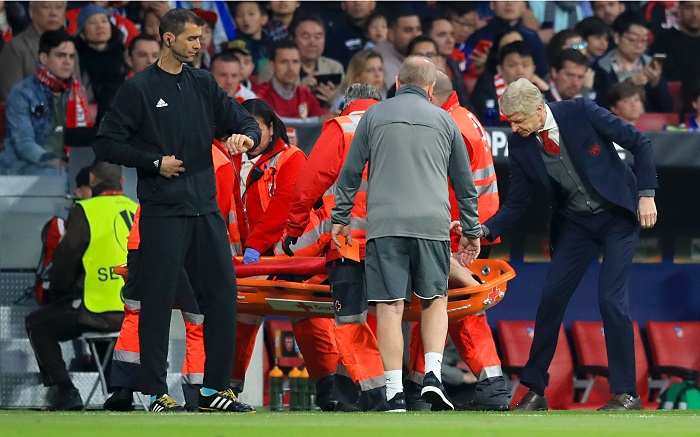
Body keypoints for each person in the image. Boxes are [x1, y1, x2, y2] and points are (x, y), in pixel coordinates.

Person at [93, 8, 262, 413]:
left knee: (222, 296)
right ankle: (154, 392)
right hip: (163, 211)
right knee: (157, 299)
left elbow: (244, 121)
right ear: (167, 39)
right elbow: (106, 144)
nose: (200, 45)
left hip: (205, 211)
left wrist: (244, 137)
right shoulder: (138, 89)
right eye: (191, 39)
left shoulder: (203, 83)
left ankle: (213, 391)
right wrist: (154, 163)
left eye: (201, 38)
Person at [484, 78, 657, 411]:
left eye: (518, 120)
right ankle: (534, 391)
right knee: (550, 300)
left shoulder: (580, 111)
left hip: (619, 216)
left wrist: (646, 194)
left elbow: (640, 142)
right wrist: (483, 231)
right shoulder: (521, 145)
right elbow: (517, 204)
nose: (514, 127)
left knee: (610, 299)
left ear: (538, 109)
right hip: (576, 224)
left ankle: (626, 394)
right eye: (509, 121)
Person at [330, 56, 482, 412]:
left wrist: (340, 217)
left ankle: (394, 391)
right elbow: (464, 183)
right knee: (434, 300)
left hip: (386, 225)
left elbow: (350, 173)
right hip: (432, 225)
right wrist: (472, 231)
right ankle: (432, 374)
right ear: (431, 88)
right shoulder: (445, 119)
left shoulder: (374, 116)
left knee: (389, 306)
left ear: (397, 82)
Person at [104, 140, 253, 413]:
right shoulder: (218, 162)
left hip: (142, 242)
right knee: (198, 319)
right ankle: (198, 393)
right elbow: (211, 216)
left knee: (139, 313)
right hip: (184, 244)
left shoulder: (177, 148)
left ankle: (125, 388)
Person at [406, 71, 510, 412]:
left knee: (462, 313)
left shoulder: (449, 127)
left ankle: (491, 387)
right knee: (432, 307)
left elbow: (454, 189)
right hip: (473, 230)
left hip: (461, 236)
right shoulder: (465, 118)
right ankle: (419, 386)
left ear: (432, 96)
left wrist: (463, 230)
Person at [282, 83, 387, 412]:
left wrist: (295, 225)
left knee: (352, 320)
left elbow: (310, 181)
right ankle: (350, 391)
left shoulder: (341, 127)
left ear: (348, 103)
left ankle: (374, 393)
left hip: (351, 244)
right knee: (388, 317)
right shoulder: (397, 125)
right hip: (397, 241)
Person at [25, 160, 137, 411]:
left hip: (99, 310)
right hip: (136, 314)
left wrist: (60, 292)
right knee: (103, 331)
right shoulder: (138, 209)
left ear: (93, 181)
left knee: (36, 324)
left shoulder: (85, 210)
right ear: (122, 181)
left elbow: (65, 261)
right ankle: (119, 389)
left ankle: (65, 391)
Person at [0, 30, 91, 177]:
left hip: (66, 164)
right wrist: (57, 163)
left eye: (71, 56)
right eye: (60, 55)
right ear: (44, 58)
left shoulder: (77, 92)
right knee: (63, 178)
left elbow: (84, 140)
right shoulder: (22, 93)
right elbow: (24, 144)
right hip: (22, 167)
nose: (67, 62)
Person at [591, 11, 674, 113]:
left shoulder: (650, 66)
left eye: (644, 41)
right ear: (617, 37)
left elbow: (667, 109)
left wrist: (656, 84)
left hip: (648, 125)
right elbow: (602, 106)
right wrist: (630, 84)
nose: (639, 46)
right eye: (632, 39)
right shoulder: (601, 67)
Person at [0, 1, 72, 101]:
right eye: (46, 7)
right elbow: (11, 97)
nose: (54, 13)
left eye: (59, 7)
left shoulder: (71, 47)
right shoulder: (15, 47)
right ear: (31, 12)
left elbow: (80, 93)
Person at [254, 40, 334, 125]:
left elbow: (322, 121)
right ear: (272, 65)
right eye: (284, 62)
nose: (291, 68)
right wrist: (315, 121)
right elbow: (274, 124)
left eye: (295, 62)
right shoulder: (260, 95)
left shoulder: (305, 94)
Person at [74, 4, 127, 123]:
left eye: (104, 21)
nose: (100, 26)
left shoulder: (124, 53)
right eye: (92, 23)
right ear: (82, 33)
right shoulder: (75, 59)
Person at [650, 0, 700, 114]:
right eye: (689, 7)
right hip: (673, 110)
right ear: (679, 9)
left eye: (699, 8)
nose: (695, 13)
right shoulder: (663, 41)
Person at [373, 8, 422, 89]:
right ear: (391, 34)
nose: (415, 35)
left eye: (418, 29)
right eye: (408, 30)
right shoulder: (377, 58)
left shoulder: (427, 52)